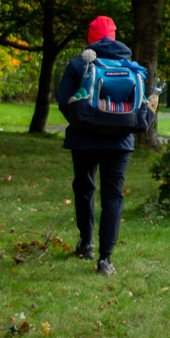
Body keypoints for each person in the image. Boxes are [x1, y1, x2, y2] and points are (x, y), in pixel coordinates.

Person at [57, 15, 137, 277]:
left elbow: (63, 101)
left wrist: (83, 122)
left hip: (84, 138)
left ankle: (86, 243)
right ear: (113, 36)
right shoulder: (129, 64)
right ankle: (106, 259)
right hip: (120, 140)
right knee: (113, 194)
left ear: (89, 38)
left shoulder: (78, 64)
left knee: (84, 187)